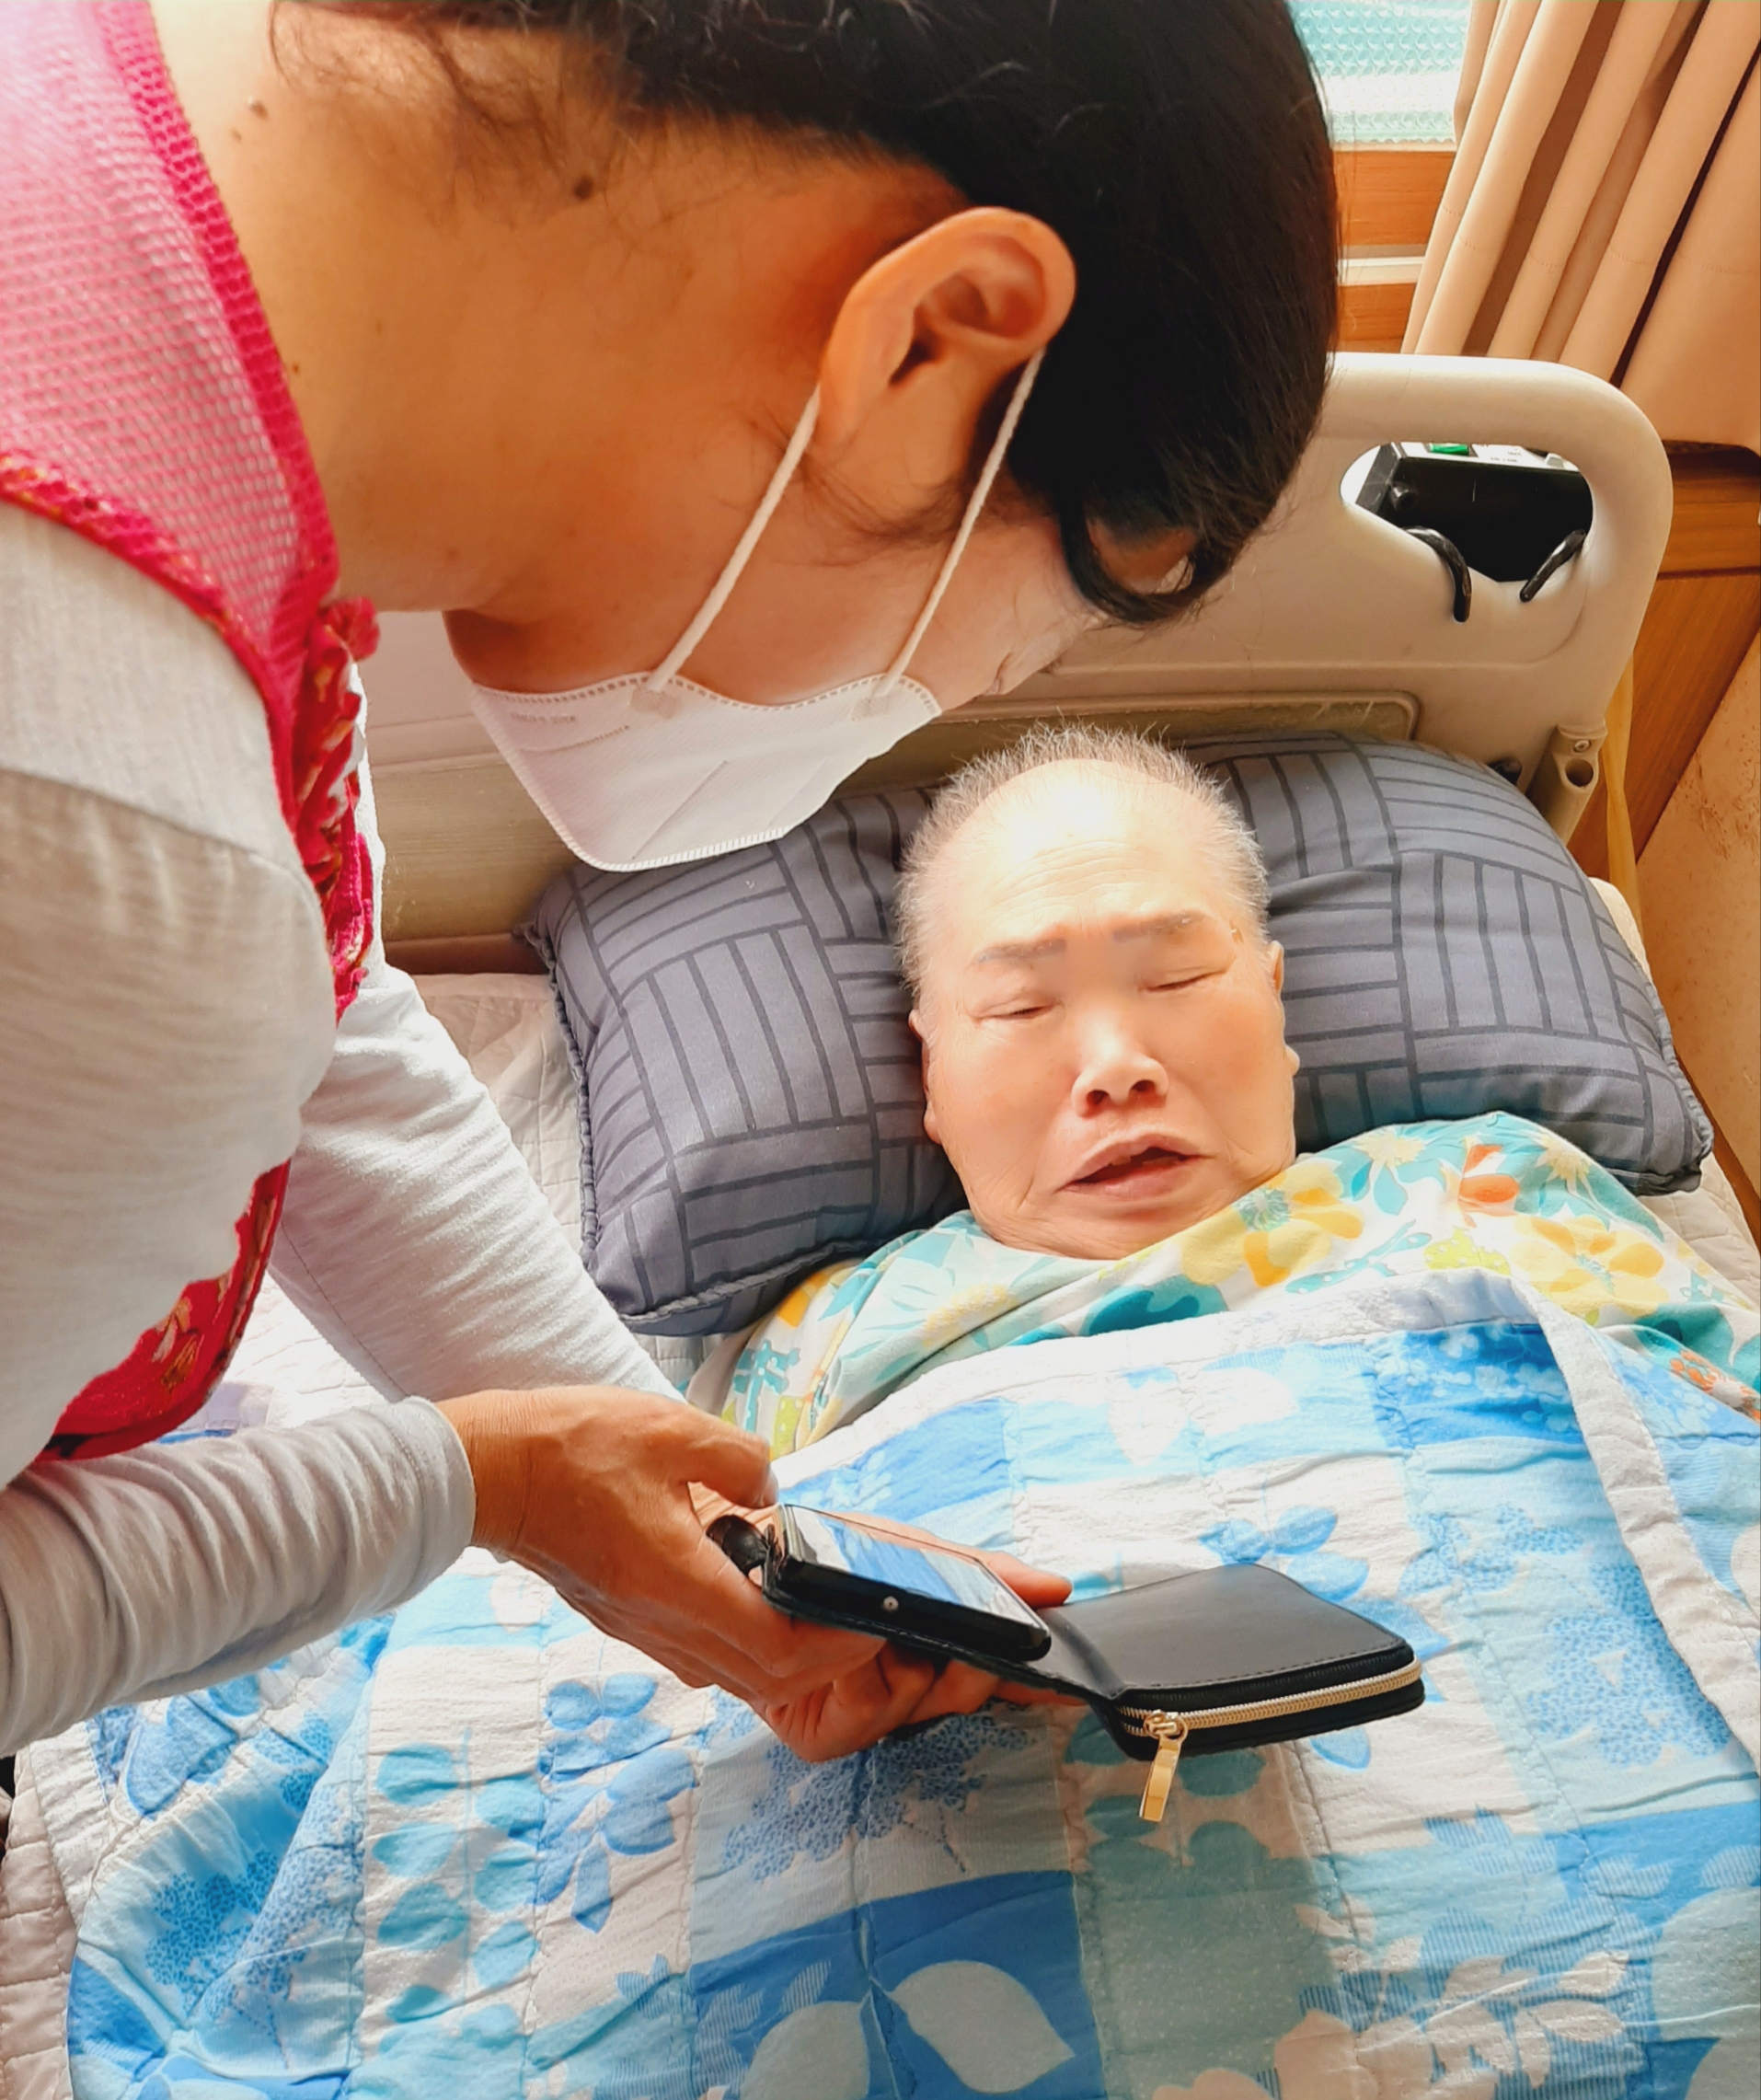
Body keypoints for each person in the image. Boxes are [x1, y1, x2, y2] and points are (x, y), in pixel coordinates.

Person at [0, 0, 1335, 1760]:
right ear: (931, 339)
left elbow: (305, 1016)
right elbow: (182, 960)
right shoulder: (97, 841)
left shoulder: (131, 195)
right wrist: (476, 1484)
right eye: (1003, 650)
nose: (929, 702)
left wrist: (674, 1495)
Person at [708, 729, 1758, 1453]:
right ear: (930, 1076)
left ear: (1275, 998)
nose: (1115, 1066)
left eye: (1174, 977)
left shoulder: (1496, 1182)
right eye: (1022, 1006)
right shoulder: (827, 1346)